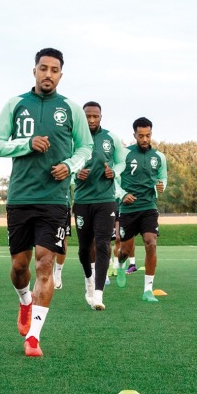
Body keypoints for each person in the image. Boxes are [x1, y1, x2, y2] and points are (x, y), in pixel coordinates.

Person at [0, 47, 92, 358]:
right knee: (20, 267)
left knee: (45, 263)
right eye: (43, 68)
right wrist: (26, 144)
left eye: (54, 70)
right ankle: (24, 301)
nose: (48, 74)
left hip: (55, 200)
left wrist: (70, 166)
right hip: (20, 197)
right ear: (34, 70)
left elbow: (85, 148)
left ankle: (33, 336)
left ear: (61, 74)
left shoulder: (71, 109)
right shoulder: (15, 104)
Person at [73, 102, 126, 310]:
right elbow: (64, 164)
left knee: (103, 244)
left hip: (106, 200)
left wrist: (115, 171)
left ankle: (98, 294)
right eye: (88, 116)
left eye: (95, 116)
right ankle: (89, 281)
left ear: (101, 117)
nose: (92, 120)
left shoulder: (111, 138)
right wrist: (75, 173)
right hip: (83, 201)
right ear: (83, 117)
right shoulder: (74, 139)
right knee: (84, 250)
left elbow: (121, 161)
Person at [114, 117, 166, 303]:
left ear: (151, 134)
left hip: (148, 207)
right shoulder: (124, 154)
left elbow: (163, 178)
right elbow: (114, 178)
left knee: (150, 243)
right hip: (128, 209)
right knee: (126, 250)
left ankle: (147, 290)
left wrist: (161, 187)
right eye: (141, 135)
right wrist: (122, 195)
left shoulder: (159, 157)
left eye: (148, 135)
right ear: (134, 135)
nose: (144, 139)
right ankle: (120, 264)